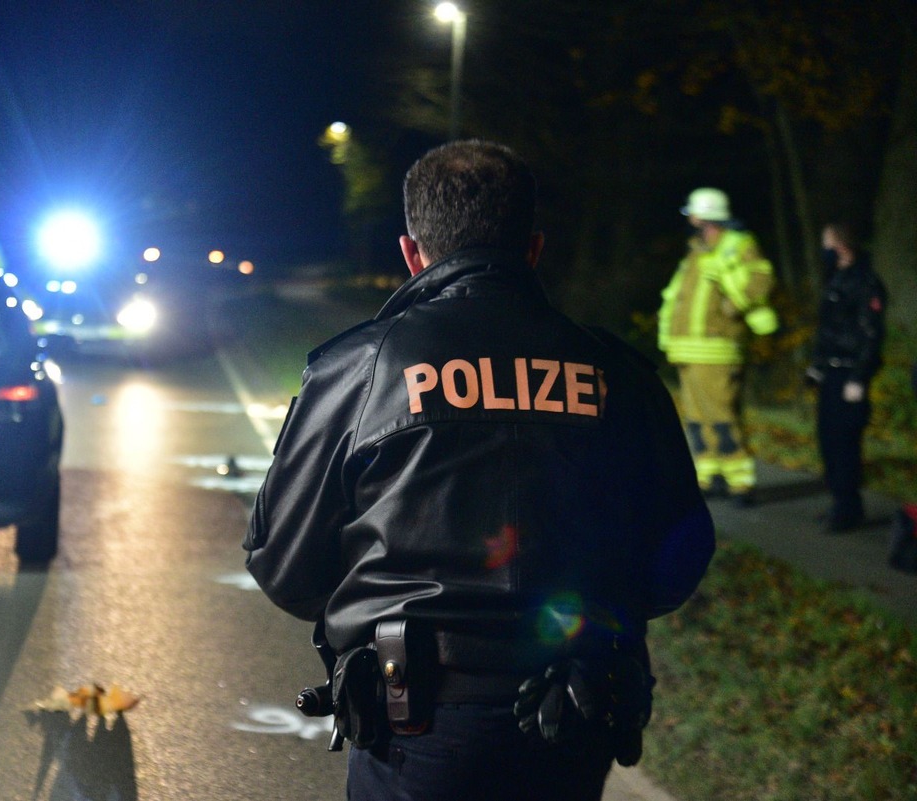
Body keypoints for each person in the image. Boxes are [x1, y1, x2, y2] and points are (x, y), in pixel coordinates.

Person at [244, 140, 716, 801]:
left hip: (416, 717)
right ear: (534, 248)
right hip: (574, 712)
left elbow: (284, 567)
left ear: (412, 253)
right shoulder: (620, 372)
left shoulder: (361, 368)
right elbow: (677, 560)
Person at [658, 188, 779, 506]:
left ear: (705, 216)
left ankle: (742, 484)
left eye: (693, 214)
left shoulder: (738, 244)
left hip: (717, 349)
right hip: (689, 350)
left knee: (721, 415)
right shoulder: (697, 251)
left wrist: (733, 304)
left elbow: (761, 279)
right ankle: (710, 477)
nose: (690, 220)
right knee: (697, 418)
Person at [806, 222, 887, 532]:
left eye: (827, 243)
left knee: (845, 442)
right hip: (831, 372)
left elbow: (870, 334)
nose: (823, 249)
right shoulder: (836, 279)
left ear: (841, 246)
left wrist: (859, 377)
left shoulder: (865, 282)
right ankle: (839, 502)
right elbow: (829, 330)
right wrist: (817, 365)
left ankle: (848, 508)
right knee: (828, 439)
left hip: (849, 375)